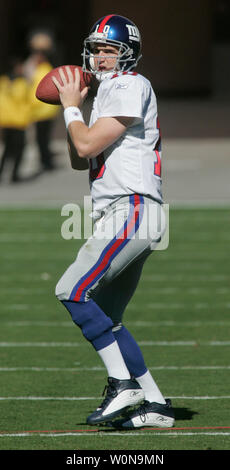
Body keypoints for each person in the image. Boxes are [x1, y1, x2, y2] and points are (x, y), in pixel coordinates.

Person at [53, 14, 175, 429]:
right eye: (97, 50)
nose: (101, 58)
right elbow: (79, 156)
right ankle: (155, 404)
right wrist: (72, 109)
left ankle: (122, 382)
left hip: (133, 207)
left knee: (72, 289)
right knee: (107, 313)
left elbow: (86, 144)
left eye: (110, 51)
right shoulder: (106, 93)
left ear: (127, 56)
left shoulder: (129, 84)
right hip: (126, 210)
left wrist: (72, 107)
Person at [24, 30, 60, 171]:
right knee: (43, 138)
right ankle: (46, 160)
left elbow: (34, 90)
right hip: (43, 110)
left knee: (42, 139)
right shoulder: (41, 68)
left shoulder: (43, 69)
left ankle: (46, 162)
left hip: (42, 111)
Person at [0, 58, 31, 182]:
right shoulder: (22, 83)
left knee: (8, 149)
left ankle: (5, 173)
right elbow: (27, 100)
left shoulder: (3, 82)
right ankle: (14, 175)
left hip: (8, 121)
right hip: (17, 121)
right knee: (18, 149)